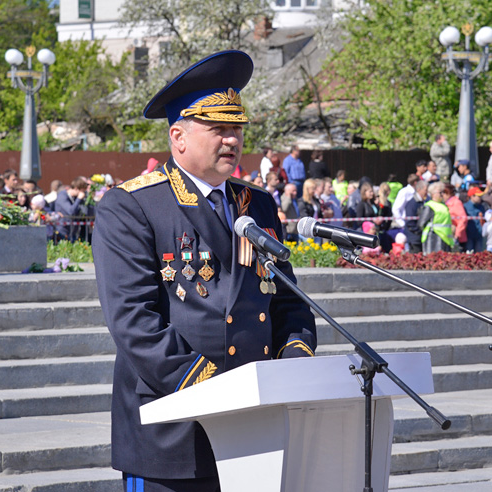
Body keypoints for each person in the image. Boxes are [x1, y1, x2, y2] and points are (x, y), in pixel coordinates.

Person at [91, 51, 316, 492]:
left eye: (237, 129)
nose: (232, 140)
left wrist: (293, 365)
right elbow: (133, 320)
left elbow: (288, 299)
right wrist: (212, 388)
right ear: (178, 137)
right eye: (218, 129)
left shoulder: (257, 204)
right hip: (174, 429)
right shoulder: (133, 206)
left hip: (255, 425)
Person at [419, 181, 454, 254]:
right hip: (433, 239)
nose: (442, 194)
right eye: (440, 192)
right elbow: (421, 223)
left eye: (443, 192)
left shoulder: (444, 205)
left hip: (445, 239)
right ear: (433, 194)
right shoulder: (429, 206)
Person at [53, 177, 90, 241]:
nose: (83, 194)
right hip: (62, 231)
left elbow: (85, 211)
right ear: (76, 188)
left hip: (73, 231)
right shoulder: (62, 196)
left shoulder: (75, 198)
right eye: (82, 191)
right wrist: (79, 199)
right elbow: (71, 211)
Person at [403, 179, 429, 254]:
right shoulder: (412, 203)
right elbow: (410, 222)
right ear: (419, 189)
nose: (427, 193)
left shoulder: (425, 201)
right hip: (414, 239)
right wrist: (420, 231)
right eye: (425, 190)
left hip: (421, 238)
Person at [442, 184, 467, 252]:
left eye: (444, 193)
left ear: (448, 193)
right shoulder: (446, 203)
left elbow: (463, 219)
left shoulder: (456, 203)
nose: (442, 195)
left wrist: (457, 235)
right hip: (449, 235)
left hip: (457, 237)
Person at [463, 187, 487, 253]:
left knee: (479, 254)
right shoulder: (465, 206)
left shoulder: (481, 207)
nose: (480, 198)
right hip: (469, 235)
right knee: (469, 253)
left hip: (479, 235)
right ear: (472, 196)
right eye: (478, 196)